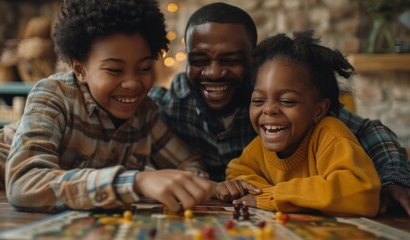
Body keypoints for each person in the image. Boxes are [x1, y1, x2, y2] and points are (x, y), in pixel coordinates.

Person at [148, 2, 410, 215]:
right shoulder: (165, 106)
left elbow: (369, 131)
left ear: (252, 60)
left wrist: (394, 179)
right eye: (199, 60)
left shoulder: (292, 107)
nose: (214, 72)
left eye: (230, 60)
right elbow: (240, 172)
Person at [4, 0, 213, 213]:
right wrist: (134, 182)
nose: (132, 83)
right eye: (114, 70)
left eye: (144, 68)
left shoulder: (145, 113)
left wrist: (193, 184)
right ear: (80, 69)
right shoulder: (52, 95)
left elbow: (188, 163)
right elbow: (24, 183)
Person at [221, 30, 380, 217]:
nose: (269, 110)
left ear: (318, 110)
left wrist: (275, 196)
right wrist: (257, 192)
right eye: (258, 101)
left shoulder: (329, 135)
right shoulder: (258, 148)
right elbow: (237, 172)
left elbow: (362, 192)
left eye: (287, 101)